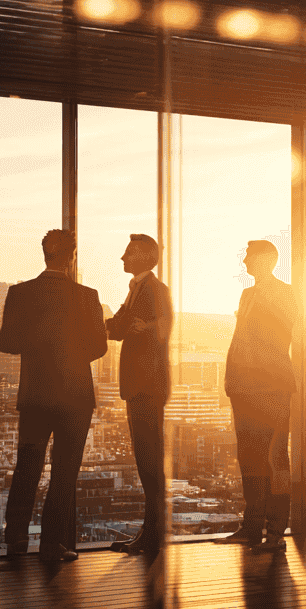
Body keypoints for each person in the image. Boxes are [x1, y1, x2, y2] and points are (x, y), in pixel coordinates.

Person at [0, 229, 107, 563]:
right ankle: (52, 545)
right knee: (64, 474)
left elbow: (6, 344)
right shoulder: (88, 296)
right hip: (75, 398)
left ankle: (16, 540)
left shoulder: (20, 294)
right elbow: (100, 346)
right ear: (72, 257)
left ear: (45, 254)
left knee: (27, 467)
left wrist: (38, 346)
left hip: (35, 396)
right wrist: (70, 356)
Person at [219, 239, 298, 552]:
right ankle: (252, 527)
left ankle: (276, 532)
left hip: (272, 388)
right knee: (249, 459)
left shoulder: (287, 293)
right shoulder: (248, 294)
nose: (245, 262)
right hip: (244, 388)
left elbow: (279, 336)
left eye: (249, 257)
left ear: (266, 259)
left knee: (274, 458)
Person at [106, 233, 172, 556]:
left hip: (146, 386)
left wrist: (143, 328)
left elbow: (133, 329)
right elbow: (119, 327)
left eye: (128, 252)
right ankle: (151, 532)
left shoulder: (155, 291)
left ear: (144, 257)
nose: (122, 258)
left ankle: (154, 534)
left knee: (149, 461)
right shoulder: (139, 290)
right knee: (145, 460)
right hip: (140, 387)